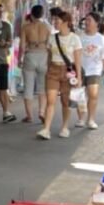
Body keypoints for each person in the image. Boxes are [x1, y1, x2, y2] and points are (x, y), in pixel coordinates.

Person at [37, 9, 83, 140]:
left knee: (65, 101)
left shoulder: (75, 38)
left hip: (68, 72)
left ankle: (65, 127)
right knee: (51, 100)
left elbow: (78, 60)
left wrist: (78, 77)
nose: (55, 22)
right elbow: (49, 55)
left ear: (66, 22)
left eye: (58, 20)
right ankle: (46, 129)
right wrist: (47, 69)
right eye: (55, 20)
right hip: (53, 70)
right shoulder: (52, 37)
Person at [77, 12, 104, 129]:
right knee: (80, 96)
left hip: (94, 70)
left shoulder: (101, 39)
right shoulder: (79, 36)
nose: (86, 22)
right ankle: (81, 118)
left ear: (96, 23)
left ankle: (91, 119)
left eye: (89, 20)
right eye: (85, 20)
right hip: (79, 70)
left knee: (93, 95)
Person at [20, 4, 50, 123]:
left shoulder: (25, 28)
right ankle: (41, 112)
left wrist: (20, 59)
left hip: (30, 56)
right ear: (42, 14)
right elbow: (50, 45)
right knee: (42, 88)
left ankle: (29, 116)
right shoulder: (47, 27)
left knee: (28, 87)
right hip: (43, 56)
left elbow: (22, 46)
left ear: (31, 14)